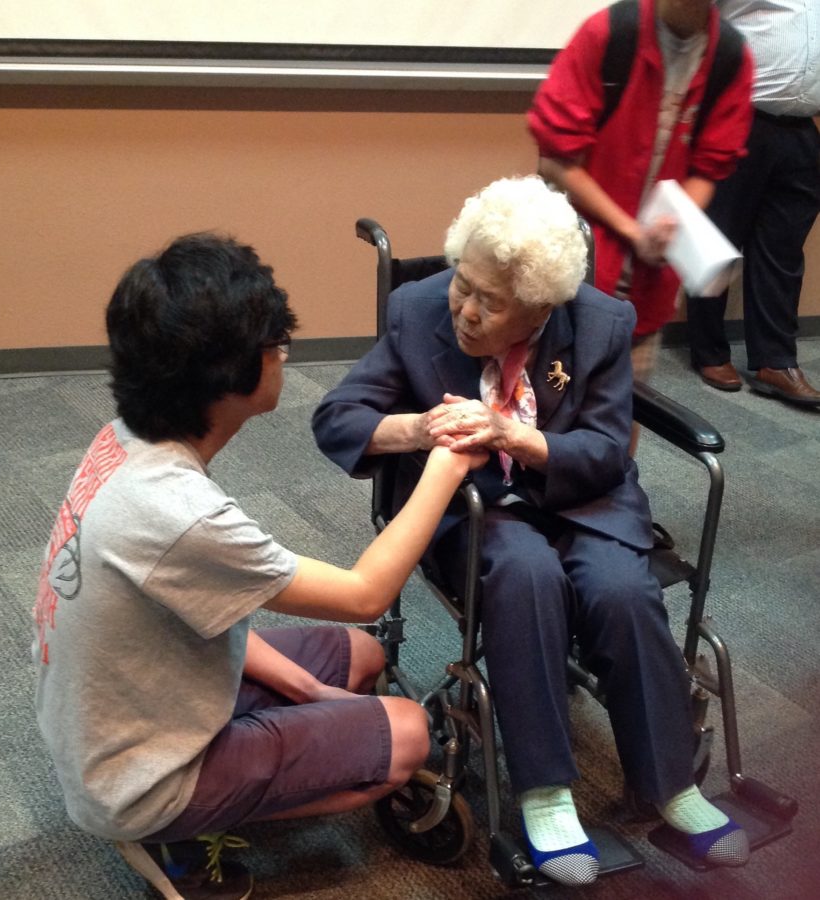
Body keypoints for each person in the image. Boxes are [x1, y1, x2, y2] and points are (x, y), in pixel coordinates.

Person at [312, 176, 751, 887]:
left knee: (621, 591)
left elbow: (607, 450)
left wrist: (519, 438)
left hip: (581, 498)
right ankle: (545, 790)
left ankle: (671, 782)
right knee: (526, 575)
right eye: (464, 284)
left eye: (493, 301)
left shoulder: (599, 324)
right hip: (479, 512)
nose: (467, 310)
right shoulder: (417, 309)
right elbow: (337, 417)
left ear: (543, 307)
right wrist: (418, 429)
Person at [32, 233, 485, 900]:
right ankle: (169, 830)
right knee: (409, 736)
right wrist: (446, 465)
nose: (283, 357)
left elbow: (209, 615)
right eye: (277, 347)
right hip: (133, 775)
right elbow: (366, 592)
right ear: (228, 378)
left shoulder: (127, 439)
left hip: (111, 712)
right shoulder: (178, 512)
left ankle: (222, 776)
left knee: (357, 660)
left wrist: (308, 693)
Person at [527, 0, 753, 385]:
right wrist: (633, 232)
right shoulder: (610, 33)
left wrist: (671, 225)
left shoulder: (729, 57)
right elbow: (556, 160)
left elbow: (709, 167)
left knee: (626, 403)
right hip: (573, 258)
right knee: (547, 396)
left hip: (648, 281)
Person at [686, 0, 820, 405]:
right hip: (737, 118)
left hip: (802, 128)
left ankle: (775, 361)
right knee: (716, 238)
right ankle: (709, 351)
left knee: (782, 250)